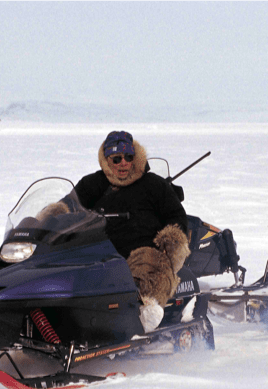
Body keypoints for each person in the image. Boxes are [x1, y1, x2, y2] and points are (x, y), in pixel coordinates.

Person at [40, 131, 190, 332]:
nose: (123, 163)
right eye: (117, 159)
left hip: (143, 254)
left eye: (129, 157)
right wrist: (48, 221)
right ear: (107, 160)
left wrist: (172, 241)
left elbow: (176, 215)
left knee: (148, 269)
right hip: (100, 253)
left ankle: (145, 315)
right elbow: (68, 207)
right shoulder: (92, 184)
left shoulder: (153, 185)